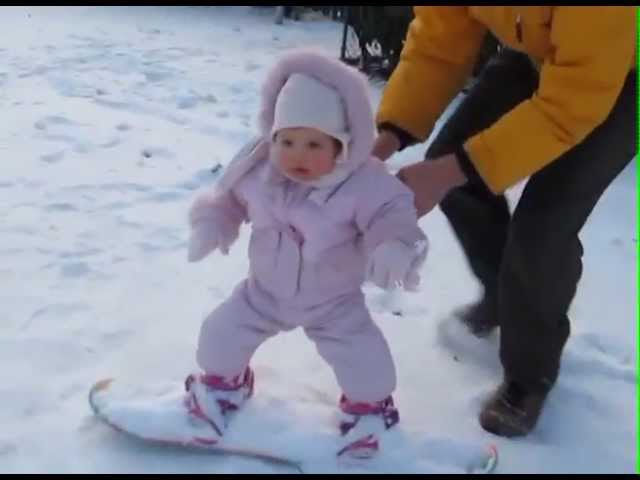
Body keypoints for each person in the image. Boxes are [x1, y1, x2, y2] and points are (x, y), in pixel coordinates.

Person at [372, 6, 636, 437]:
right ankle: (505, 298)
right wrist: (386, 139)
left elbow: (573, 102)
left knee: (544, 225)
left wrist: (445, 173)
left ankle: (528, 378)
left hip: (623, 77)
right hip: (540, 53)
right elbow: (438, 46)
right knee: (454, 168)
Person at [184, 49, 428, 457]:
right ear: (271, 136)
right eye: (288, 140)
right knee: (218, 338)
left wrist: (393, 246)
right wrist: (213, 223)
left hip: (333, 302)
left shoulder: (362, 183)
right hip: (263, 293)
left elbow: (391, 213)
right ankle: (225, 389)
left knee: (367, 365)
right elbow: (227, 199)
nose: (298, 154)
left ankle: (369, 414)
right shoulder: (259, 172)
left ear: (341, 145)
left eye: (315, 143)